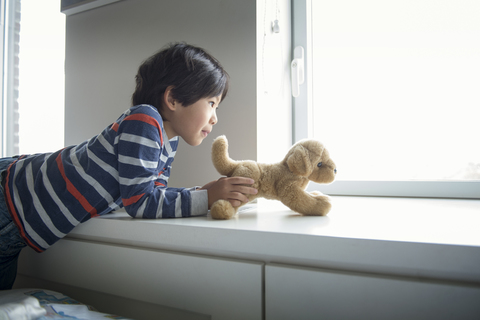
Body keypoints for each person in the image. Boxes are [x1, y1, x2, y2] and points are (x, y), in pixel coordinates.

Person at [0, 42, 258, 290]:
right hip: (9, 198)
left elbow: (150, 192)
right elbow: (140, 202)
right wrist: (206, 198)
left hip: (17, 218)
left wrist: (203, 193)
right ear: (173, 99)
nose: (215, 117)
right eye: (211, 103)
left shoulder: (167, 140)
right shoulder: (145, 119)